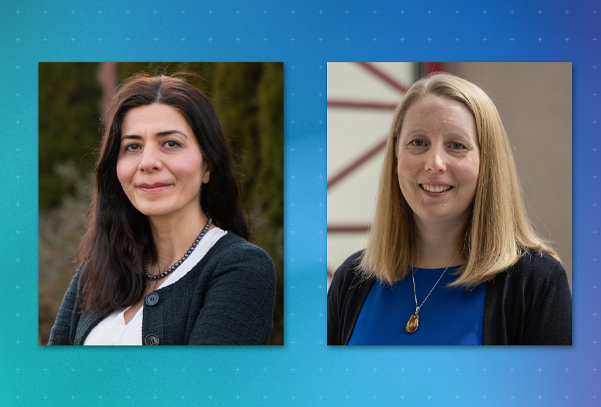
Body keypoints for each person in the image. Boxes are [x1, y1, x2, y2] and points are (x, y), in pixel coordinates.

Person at [327, 72, 572, 345]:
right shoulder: (351, 280)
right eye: (418, 142)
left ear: (487, 164)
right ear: (396, 155)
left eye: (456, 146)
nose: (435, 163)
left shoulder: (537, 283)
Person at [49, 74, 276, 345]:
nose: (147, 162)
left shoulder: (240, 269)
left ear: (208, 165)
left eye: (171, 143)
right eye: (132, 146)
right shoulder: (95, 271)